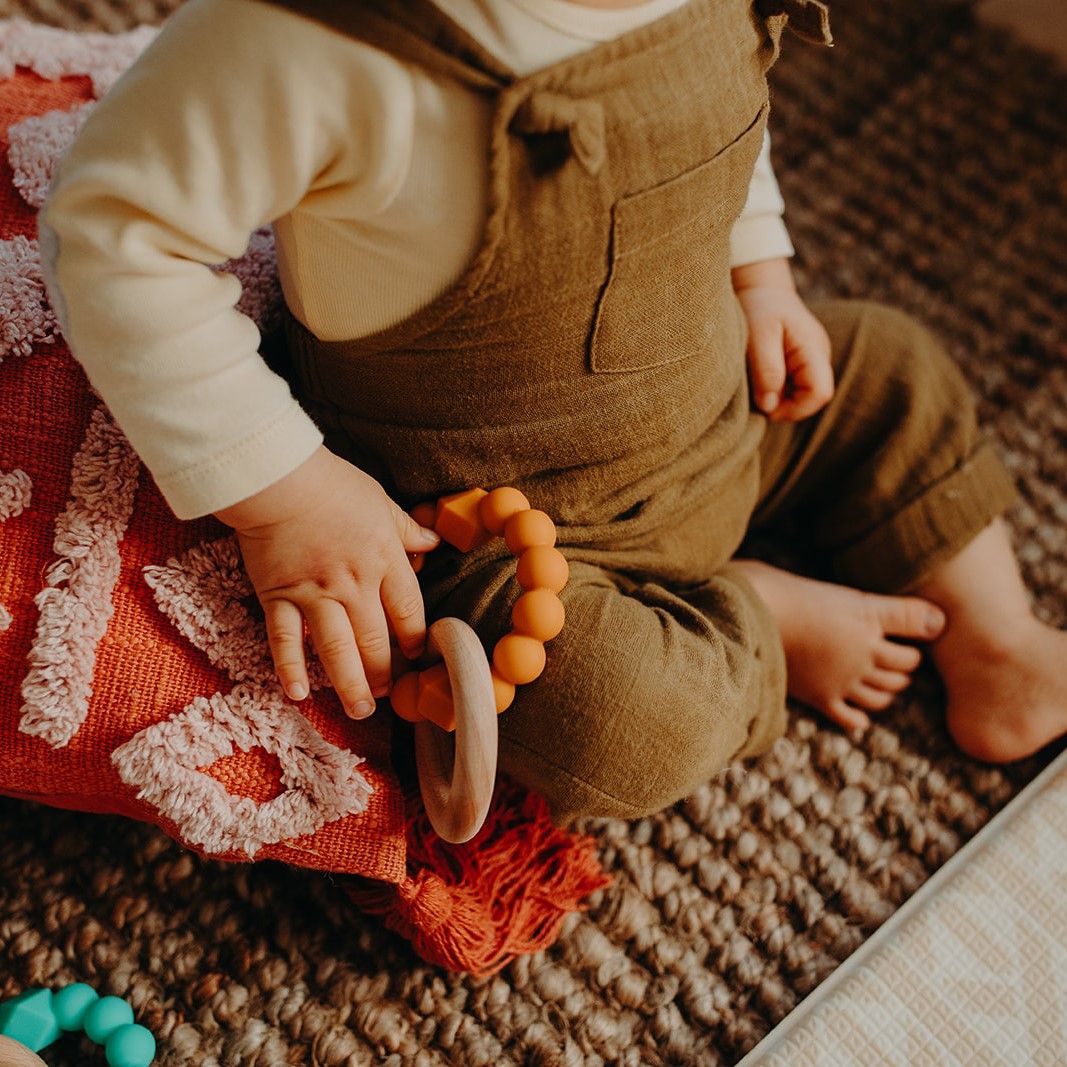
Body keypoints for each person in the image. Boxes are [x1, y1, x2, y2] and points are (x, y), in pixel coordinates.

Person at [41, 0, 1067, 824]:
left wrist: (761, 274)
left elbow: (708, 112)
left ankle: (997, 637)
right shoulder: (314, 40)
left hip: (721, 408)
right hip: (496, 533)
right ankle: (761, 624)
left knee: (886, 364)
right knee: (613, 720)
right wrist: (289, 492)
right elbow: (114, 232)